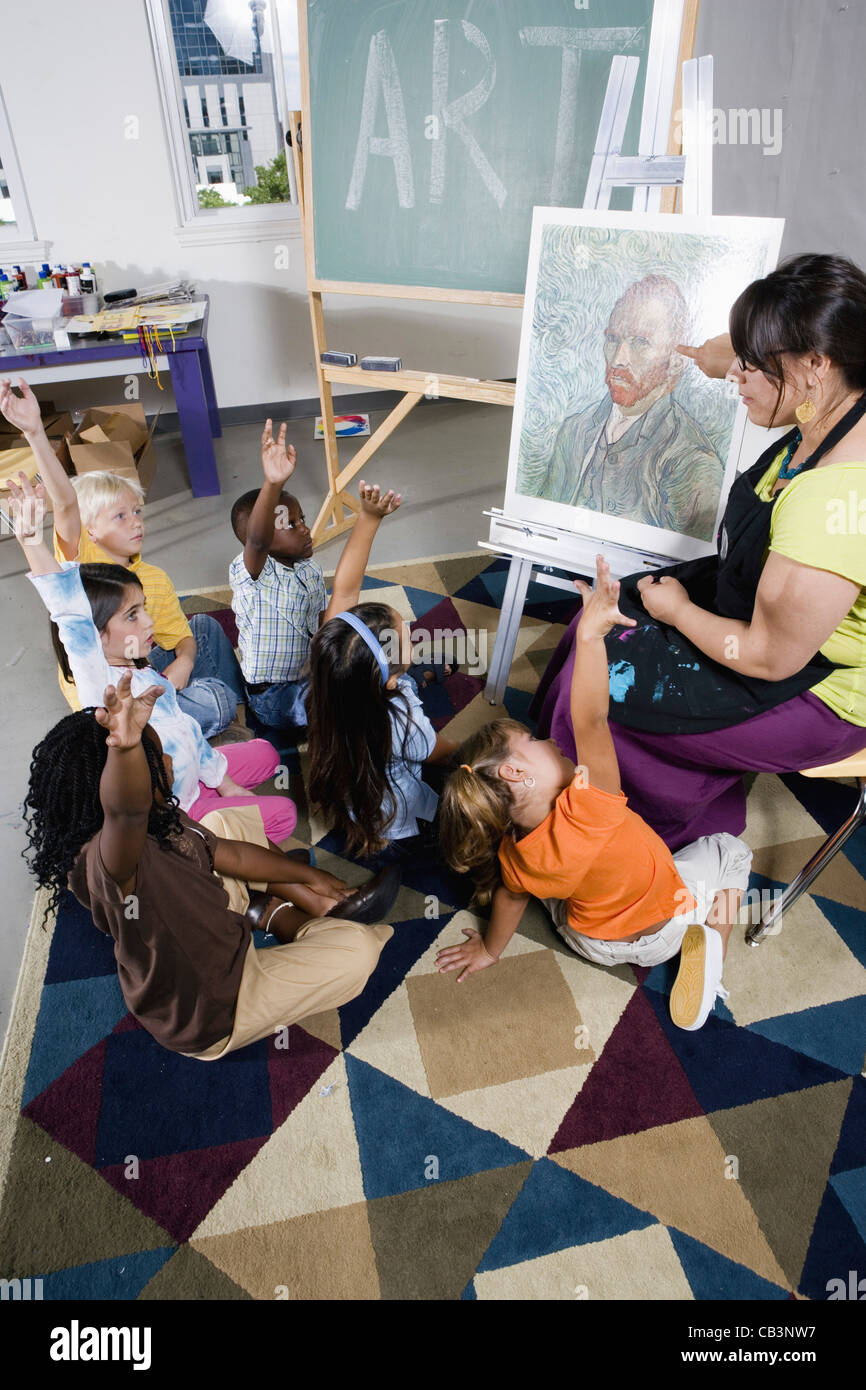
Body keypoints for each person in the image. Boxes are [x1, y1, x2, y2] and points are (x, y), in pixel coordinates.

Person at [532, 253, 866, 850]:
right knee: (599, 623)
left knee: (605, 691)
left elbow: (768, 656)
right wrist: (710, 356)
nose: (737, 376)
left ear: (816, 363)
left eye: (754, 366)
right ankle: (567, 778)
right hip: (767, 604)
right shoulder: (837, 394)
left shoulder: (834, 499)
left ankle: (617, 841)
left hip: (823, 686)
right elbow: (728, 357)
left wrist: (680, 613)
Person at [436, 558, 752, 1031]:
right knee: (732, 852)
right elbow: (590, 719)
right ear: (516, 772)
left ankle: (626, 915)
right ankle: (713, 950)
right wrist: (589, 635)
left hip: (591, 942)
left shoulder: (515, 853)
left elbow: (508, 899)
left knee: (533, 889)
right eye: (535, 742)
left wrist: (488, 949)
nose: (550, 738)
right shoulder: (591, 804)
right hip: (663, 931)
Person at [22, 670, 395, 1059]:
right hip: (216, 1007)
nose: (168, 758)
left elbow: (227, 853)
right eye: (156, 756)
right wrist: (126, 749)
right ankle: (278, 915)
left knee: (221, 823)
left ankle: (286, 906)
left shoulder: (159, 813)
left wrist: (313, 876)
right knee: (359, 951)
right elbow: (125, 813)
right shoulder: (108, 865)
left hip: (213, 923)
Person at [9, 473, 296, 843]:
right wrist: (32, 541)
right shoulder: (100, 683)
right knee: (284, 815)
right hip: (177, 803)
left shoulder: (143, 671)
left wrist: (223, 783)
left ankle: (211, 790)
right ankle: (197, 828)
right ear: (95, 637)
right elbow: (67, 609)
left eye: (143, 609)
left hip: (196, 764)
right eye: (133, 616)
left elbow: (187, 730)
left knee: (267, 754)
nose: (148, 622)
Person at [0, 377, 244, 738]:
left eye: (137, 512)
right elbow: (66, 503)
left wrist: (184, 661)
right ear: (90, 531)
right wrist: (35, 432)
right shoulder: (79, 564)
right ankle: (205, 719)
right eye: (120, 516)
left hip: (141, 670)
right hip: (107, 696)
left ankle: (224, 722)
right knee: (216, 699)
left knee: (204, 629)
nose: (136, 523)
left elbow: (181, 638)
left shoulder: (154, 578)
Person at [229, 423, 453, 735]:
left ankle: (402, 671)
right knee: (369, 698)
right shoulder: (252, 576)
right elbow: (257, 540)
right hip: (276, 698)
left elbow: (336, 614)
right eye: (290, 525)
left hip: (314, 671)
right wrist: (272, 483)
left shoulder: (307, 569)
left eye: (302, 519)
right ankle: (416, 677)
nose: (305, 528)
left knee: (362, 648)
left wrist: (368, 517)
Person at [305, 493, 459, 859]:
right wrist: (479, 751)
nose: (410, 630)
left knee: (418, 673)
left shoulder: (330, 664)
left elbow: (343, 590)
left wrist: (369, 518)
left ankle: (425, 673)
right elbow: (438, 752)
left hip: (349, 781)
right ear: (388, 680)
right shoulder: (400, 718)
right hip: (391, 811)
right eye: (405, 632)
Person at [534, 275, 723, 541]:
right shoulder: (574, 431)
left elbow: (688, 567)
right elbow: (541, 523)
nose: (619, 358)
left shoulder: (692, 461)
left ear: (676, 362)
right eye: (613, 339)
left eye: (640, 342)